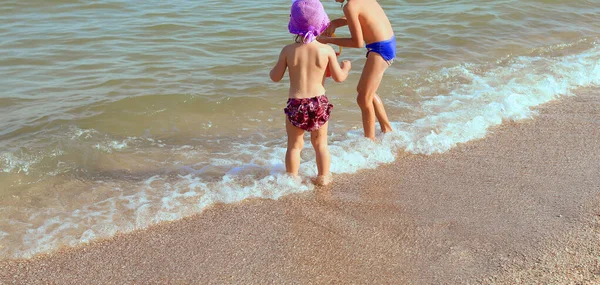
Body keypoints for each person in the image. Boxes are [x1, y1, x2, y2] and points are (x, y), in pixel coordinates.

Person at [270, 0, 351, 186]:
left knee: (295, 146)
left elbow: (275, 77)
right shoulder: (326, 50)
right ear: (321, 21)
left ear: (293, 23)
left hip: (296, 104)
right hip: (319, 102)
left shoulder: (288, 51)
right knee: (320, 144)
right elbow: (339, 78)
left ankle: (291, 179)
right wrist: (345, 67)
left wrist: (273, 69)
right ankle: (323, 177)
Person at [318, 0, 395, 141]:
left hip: (380, 49)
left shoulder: (350, 6)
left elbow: (357, 43)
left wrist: (327, 40)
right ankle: (387, 129)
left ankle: (370, 141)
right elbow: (359, 15)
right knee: (365, 92)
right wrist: (335, 23)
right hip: (386, 44)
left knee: (363, 98)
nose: (334, 0)